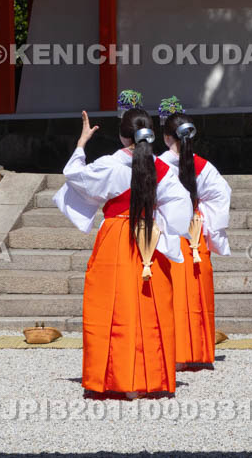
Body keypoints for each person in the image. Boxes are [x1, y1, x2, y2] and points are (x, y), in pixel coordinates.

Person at [54, 104, 193, 397]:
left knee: (111, 306)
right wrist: (160, 230)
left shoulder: (109, 165)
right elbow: (181, 206)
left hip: (116, 236)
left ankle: (114, 376)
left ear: (122, 137)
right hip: (148, 240)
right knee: (148, 305)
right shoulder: (163, 170)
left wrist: (81, 144)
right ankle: (148, 375)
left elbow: (74, 175)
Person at [157, 98, 231, 369]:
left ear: (167, 137)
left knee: (172, 290)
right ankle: (198, 351)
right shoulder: (203, 165)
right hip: (196, 231)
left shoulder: (159, 164)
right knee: (196, 291)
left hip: (170, 229)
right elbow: (222, 194)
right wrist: (207, 223)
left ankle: (173, 352)